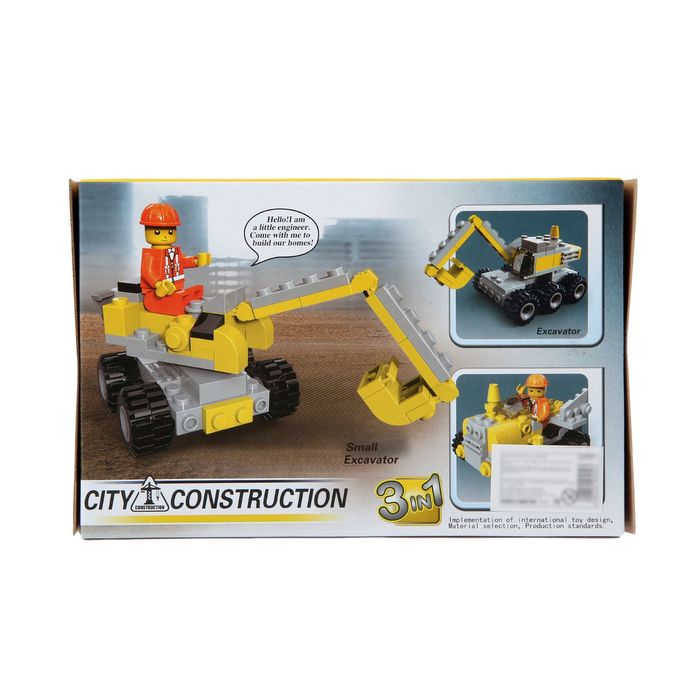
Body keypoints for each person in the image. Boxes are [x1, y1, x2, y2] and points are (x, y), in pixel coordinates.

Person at [139, 203, 211, 315]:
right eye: (157, 232)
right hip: (155, 294)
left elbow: (182, 261)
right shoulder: (150, 254)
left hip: (176, 290)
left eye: (170, 232)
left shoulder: (174, 251)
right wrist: (158, 284)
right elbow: (147, 273)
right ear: (146, 231)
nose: (165, 236)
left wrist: (196, 261)